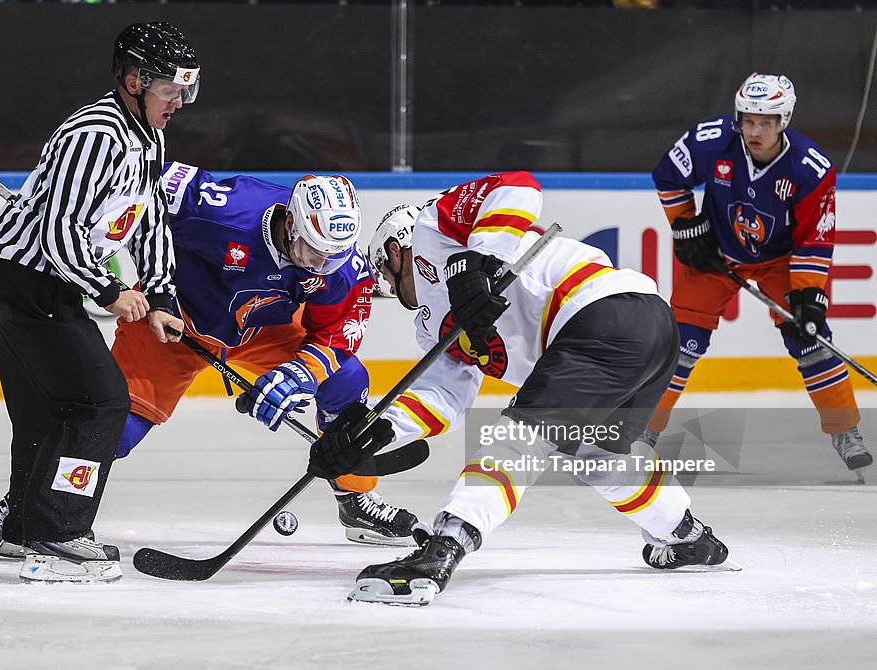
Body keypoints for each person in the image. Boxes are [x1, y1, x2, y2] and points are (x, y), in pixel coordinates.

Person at [310, 172, 733, 606]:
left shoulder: (433, 227)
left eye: (385, 272)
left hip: (606, 315)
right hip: (645, 334)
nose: (388, 287)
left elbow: (517, 184)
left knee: (517, 440)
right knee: (598, 457)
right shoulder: (432, 326)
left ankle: (442, 551)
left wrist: (478, 263)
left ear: (395, 251)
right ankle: (688, 536)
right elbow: (447, 398)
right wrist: (379, 430)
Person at [0, 22, 196, 583]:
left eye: (186, 89)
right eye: (170, 89)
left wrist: (160, 293)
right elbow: (59, 231)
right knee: (99, 403)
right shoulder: (95, 134)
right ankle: (59, 535)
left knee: (48, 412)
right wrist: (111, 290)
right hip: (29, 281)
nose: (179, 102)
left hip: (32, 281)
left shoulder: (147, 136)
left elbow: (148, 222)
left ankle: (24, 528)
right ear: (135, 80)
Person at [110, 163, 418, 546]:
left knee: (347, 380)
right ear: (290, 223)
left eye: (332, 256)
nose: (321, 266)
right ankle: (34, 506)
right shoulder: (223, 208)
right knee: (110, 431)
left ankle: (354, 496)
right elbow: (131, 180)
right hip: (172, 318)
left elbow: (335, 336)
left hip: (258, 327)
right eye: (313, 252)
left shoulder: (340, 267)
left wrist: (298, 375)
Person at [643, 73, 871, 473]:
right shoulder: (712, 140)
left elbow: (814, 239)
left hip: (781, 261)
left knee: (811, 340)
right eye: (748, 120)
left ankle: (845, 430)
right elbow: (668, 175)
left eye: (765, 122)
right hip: (717, 255)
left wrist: (808, 298)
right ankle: (642, 429)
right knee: (680, 344)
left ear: (784, 120)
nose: (755, 130)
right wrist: (685, 226)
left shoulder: (809, 168)